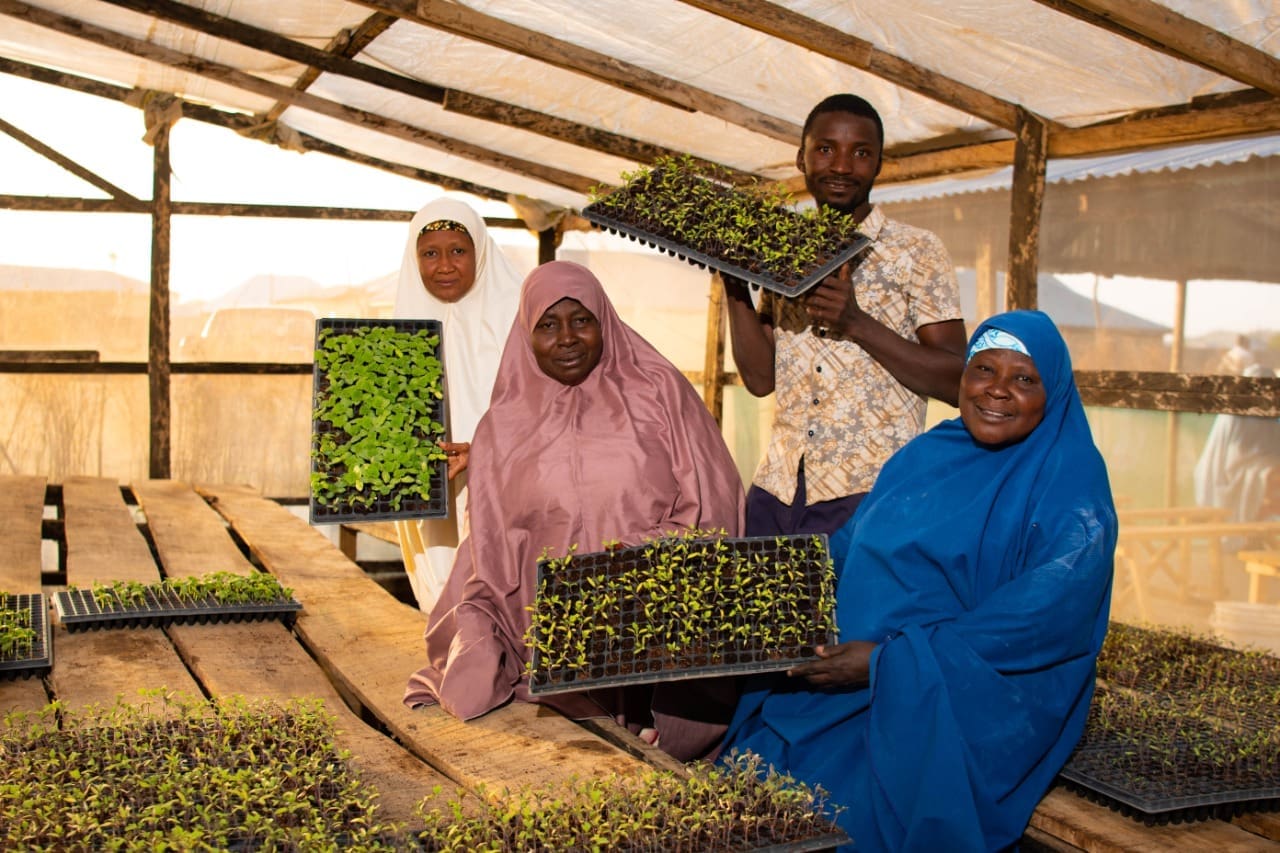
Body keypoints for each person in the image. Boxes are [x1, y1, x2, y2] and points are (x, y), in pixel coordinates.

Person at [719, 310, 1118, 852]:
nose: (997, 391)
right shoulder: (929, 454)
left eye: (1024, 379)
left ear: (1054, 392)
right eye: (983, 370)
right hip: (845, 673)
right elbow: (846, 543)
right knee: (746, 786)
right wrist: (772, 595)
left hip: (954, 696)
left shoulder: (1068, 480)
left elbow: (1044, 618)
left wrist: (885, 662)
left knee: (845, 818)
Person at [404, 260, 746, 760]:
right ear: (526, 333)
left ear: (604, 321)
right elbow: (491, 555)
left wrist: (617, 571)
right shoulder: (502, 427)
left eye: (581, 320)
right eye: (547, 324)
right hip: (543, 648)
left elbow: (714, 506)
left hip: (649, 628)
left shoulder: (658, 392)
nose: (567, 338)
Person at [724, 93, 967, 538]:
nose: (840, 165)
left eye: (860, 153)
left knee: (853, 611)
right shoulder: (784, 251)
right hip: (777, 489)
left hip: (871, 493)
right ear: (801, 158)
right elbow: (760, 380)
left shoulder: (915, 251)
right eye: (825, 149)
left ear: (878, 164)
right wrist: (732, 279)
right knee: (768, 609)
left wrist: (855, 323)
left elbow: (956, 381)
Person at [391, 198, 525, 613]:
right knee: (442, 581)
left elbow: (541, 408)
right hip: (434, 489)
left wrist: (486, 448)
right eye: (430, 253)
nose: (445, 265)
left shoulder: (519, 318)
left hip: (506, 481)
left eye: (458, 251)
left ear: (479, 253)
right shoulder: (401, 326)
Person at [1194, 364, 1280, 524]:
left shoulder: (1270, 414)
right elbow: (1236, 460)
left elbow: (1273, 449)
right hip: (1227, 483)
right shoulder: (1236, 415)